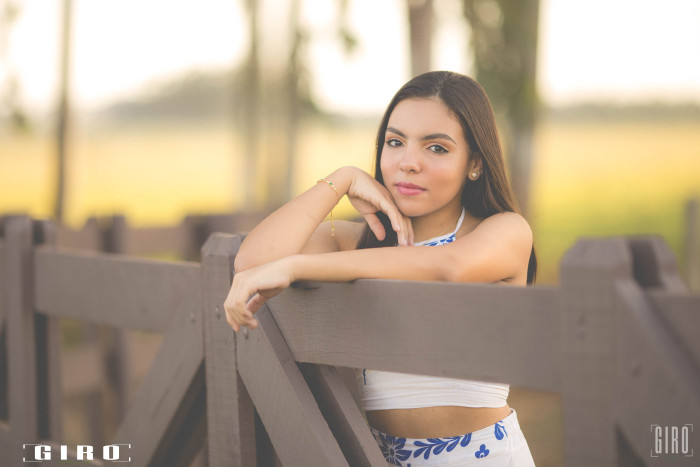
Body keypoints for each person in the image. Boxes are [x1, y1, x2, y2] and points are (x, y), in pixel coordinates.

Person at [224, 71, 537, 466]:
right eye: (395, 142)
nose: (408, 163)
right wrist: (341, 180)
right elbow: (252, 263)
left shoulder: (505, 231)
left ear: (474, 162)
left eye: (436, 148)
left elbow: (449, 267)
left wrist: (298, 266)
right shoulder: (359, 241)